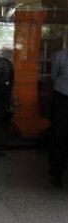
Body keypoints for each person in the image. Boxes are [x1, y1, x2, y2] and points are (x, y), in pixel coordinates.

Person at [48, 48, 68, 188]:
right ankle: (56, 173)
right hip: (62, 98)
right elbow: (54, 76)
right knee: (59, 135)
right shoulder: (60, 56)